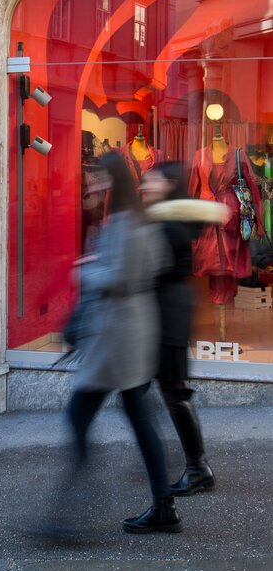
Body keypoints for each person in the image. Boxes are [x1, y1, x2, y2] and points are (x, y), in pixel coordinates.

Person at [55, 151, 180, 536]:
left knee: (79, 416)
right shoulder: (136, 218)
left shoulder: (125, 221)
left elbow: (122, 277)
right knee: (140, 421)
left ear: (110, 180)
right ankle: (163, 507)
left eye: (95, 177)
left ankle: (72, 514)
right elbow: (154, 265)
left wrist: (85, 269)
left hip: (117, 338)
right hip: (129, 334)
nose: (90, 184)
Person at [141, 162, 227, 496]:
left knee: (174, 391)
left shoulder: (171, 223)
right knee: (167, 390)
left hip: (170, 314)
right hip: (166, 312)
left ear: (169, 184)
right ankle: (191, 465)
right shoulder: (168, 219)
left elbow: (158, 266)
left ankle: (197, 468)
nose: (145, 185)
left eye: (151, 180)